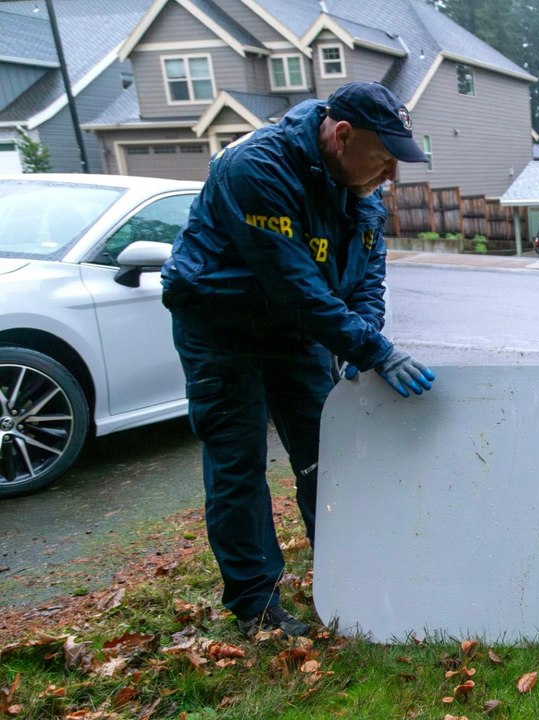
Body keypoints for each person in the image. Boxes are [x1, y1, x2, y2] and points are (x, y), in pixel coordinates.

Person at [162, 81, 435, 638]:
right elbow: (295, 284)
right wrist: (373, 350)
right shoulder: (255, 168)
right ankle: (256, 605)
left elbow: (366, 279)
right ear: (342, 135)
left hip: (295, 330)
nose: (391, 177)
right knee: (238, 464)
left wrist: (365, 340)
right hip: (221, 324)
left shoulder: (361, 191)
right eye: (383, 160)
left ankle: (347, 574)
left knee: (327, 456)